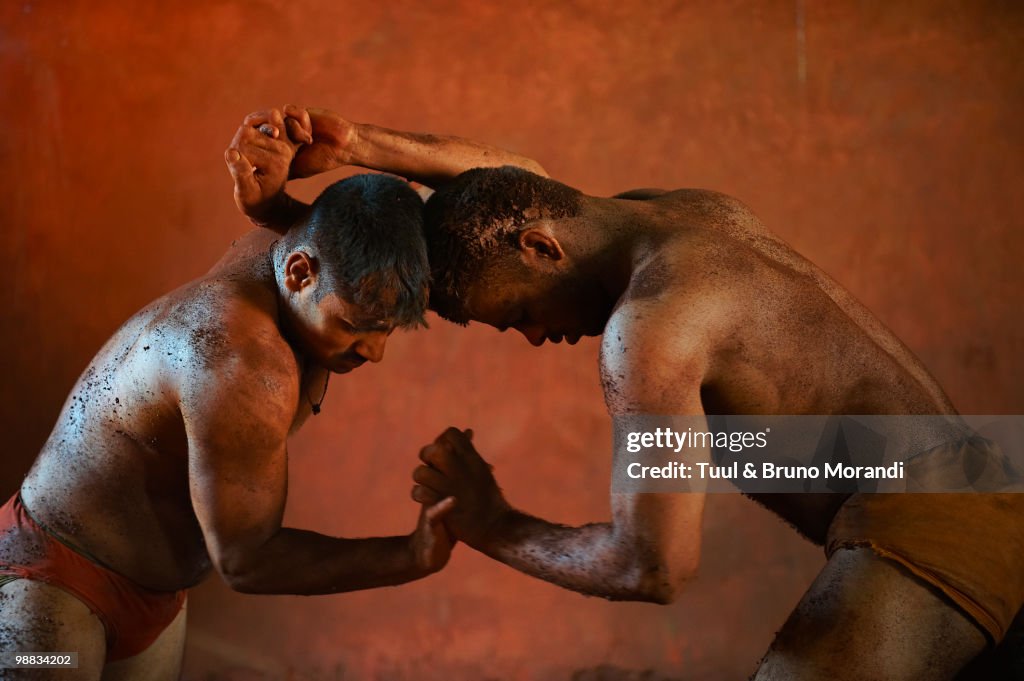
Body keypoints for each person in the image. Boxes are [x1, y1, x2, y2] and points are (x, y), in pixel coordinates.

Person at [228, 106, 1024, 680]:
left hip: (926, 527)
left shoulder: (647, 331)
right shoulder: (681, 213)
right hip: (989, 473)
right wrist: (352, 147)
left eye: (520, 317)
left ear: (541, 250)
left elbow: (652, 567)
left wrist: (491, 521)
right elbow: (510, 182)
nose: (540, 338)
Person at [0, 127, 455, 680]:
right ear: (299, 273)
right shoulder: (241, 359)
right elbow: (247, 560)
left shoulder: (296, 239)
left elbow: (484, 184)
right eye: (356, 326)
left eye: (389, 331)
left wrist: (350, 147)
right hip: (53, 588)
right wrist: (410, 555)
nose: (374, 352)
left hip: (158, 601)